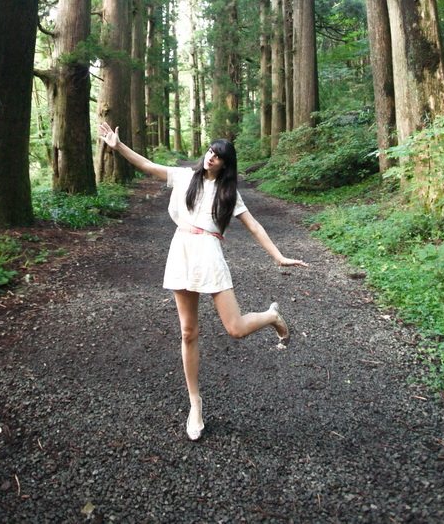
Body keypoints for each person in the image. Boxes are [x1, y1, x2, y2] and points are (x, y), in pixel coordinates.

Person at [98, 122, 309, 441]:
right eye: (210, 150)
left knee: (235, 328)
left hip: (210, 254)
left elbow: (254, 226)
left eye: (218, 155)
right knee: (187, 331)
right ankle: (195, 402)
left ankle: (271, 316)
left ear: (226, 163)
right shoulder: (184, 177)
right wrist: (118, 145)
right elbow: (146, 164)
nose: (211, 156)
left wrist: (279, 257)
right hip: (181, 250)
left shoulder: (228, 192)